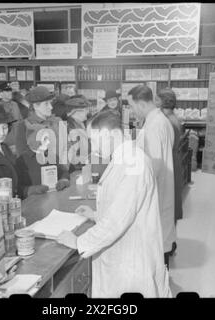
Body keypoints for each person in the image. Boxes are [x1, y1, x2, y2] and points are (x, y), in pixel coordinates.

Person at [57, 111, 168, 298]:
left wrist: (78, 242)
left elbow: (118, 220)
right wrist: (96, 214)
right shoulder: (123, 158)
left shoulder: (134, 163)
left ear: (112, 134)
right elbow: (124, 206)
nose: (92, 148)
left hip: (131, 263)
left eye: (95, 140)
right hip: (124, 253)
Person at [127, 85, 176, 269]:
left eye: (132, 106)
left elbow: (153, 165)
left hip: (156, 192)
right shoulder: (160, 120)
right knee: (160, 238)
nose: (132, 111)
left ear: (140, 104)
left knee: (156, 243)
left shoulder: (154, 126)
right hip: (163, 187)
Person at [15, 86, 71, 197]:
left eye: (51, 103)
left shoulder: (57, 121)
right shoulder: (23, 126)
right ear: (35, 106)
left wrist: (64, 175)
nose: (51, 107)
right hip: (37, 183)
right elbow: (22, 157)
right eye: (46, 104)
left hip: (60, 176)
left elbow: (67, 146)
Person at [157, 88, 184, 224]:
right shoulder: (172, 117)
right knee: (171, 198)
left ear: (163, 102)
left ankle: (169, 240)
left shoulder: (166, 121)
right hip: (173, 160)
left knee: (168, 199)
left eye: (157, 100)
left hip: (169, 161)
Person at [64, 97, 90, 173]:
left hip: (83, 167)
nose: (87, 112)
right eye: (85, 110)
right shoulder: (70, 128)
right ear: (75, 112)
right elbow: (72, 156)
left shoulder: (81, 124)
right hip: (77, 170)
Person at [0, 83, 23, 156]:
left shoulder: (15, 104)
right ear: (1, 94)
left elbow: (20, 120)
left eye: (10, 91)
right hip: (7, 143)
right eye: (7, 91)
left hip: (18, 141)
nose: (10, 93)